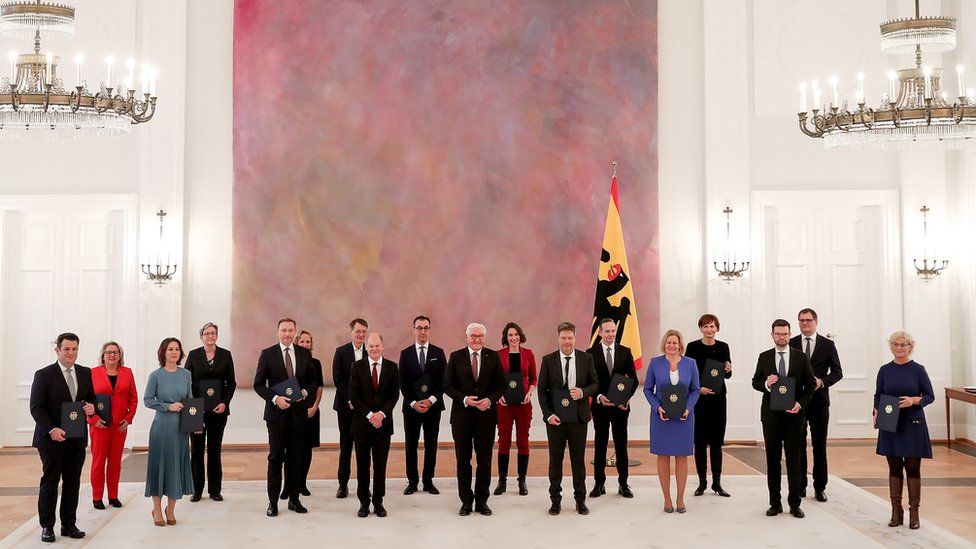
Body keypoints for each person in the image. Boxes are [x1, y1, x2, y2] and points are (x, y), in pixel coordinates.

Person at [29, 332, 96, 543]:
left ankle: (69, 524)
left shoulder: (85, 373)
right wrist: (52, 430)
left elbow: (91, 400)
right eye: (66, 349)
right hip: (51, 440)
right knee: (50, 482)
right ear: (57, 350)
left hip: (76, 439)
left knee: (72, 483)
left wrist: (92, 408)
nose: (71, 353)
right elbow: (36, 408)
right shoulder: (44, 374)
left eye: (74, 349)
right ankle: (47, 526)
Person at [254, 318, 319, 517]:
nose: (288, 334)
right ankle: (273, 502)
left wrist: (305, 393)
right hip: (276, 416)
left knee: (296, 458)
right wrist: (275, 398)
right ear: (278, 332)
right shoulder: (268, 354)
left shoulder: (304, 353)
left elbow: (313, 381)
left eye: (291, 330)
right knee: (275, 459)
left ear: (295, 332)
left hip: (298, 415)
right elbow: (258, 385)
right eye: (284, 330)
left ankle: (294, 500)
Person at [751, 319, 815, 519]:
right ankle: (774, 503)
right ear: (772, 335)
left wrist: (800, 404)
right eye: (778, 334)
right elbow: (755, 382)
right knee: (772, 460)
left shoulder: (800, 357)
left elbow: (810, 385)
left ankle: (795, 504)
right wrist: (767, 384)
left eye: (785, 334)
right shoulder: (764, 357)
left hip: (794, 416)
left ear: (789, 334)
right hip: (771, 417)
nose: (782, 337)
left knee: (794, 460)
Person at [443, 322, 505, 516]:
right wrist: (464, 399)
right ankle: (466, 501)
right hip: (462, 418)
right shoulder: (456, 356)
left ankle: (482, 501)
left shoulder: (493, 356)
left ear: (484, 338)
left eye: (481, 336)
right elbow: (447, 385)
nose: (477, 340)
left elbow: (501, 385)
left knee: (484, 461)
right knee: (463, 461)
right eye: (474, 336)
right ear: (467, 336)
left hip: (486, 418)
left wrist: (490, 400)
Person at [873, 331, 933, 530]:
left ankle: (914, 512)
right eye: (896, 345)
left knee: (913, 468)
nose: (899, 348)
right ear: (891, 347)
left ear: (910, 347)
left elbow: (929, 396)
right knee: (894, 467)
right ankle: (895, 510)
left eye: (903, 345)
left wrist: (913, 401)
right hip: (890, 423)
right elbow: (878, 395)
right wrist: (875, 413)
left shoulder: (918, 370)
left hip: (913, 423)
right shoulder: (884, 370)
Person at [538, 321, 599, 515]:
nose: (566, 341)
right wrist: (548, 415)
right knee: (555, 461)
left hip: (578, 419)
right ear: (558, 338)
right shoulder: (548, 360)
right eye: (563, 338)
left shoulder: (586, 358)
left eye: (570, 337)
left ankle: (580, 500)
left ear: (575, 338)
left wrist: (583, 392)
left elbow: (595, 384)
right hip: (556, 420)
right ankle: (555, 500)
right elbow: (542, 391)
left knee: (578, 461)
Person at [643, 329, 700, 514]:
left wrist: (688, 408)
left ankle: (680, 498)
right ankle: (667, 499)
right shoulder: (655, 363)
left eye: (675, 342)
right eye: (669, 342)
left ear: (680, 345)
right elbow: (647, 389)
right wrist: (656, 407)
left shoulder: (691, 363)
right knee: (663, 455)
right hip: (661, 417)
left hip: (684, 417)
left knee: (682, 456)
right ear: (664, 344)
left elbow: (695, 390)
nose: (672, 345)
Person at [791, 308, 842, 502]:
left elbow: (838, 372)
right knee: (798, 446)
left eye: (808, 320)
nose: (805, 324)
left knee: (819, 446)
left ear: (816, 321)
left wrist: (822, 381)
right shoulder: (792, 342)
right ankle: (801, 485)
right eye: (802, 321)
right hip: (797, 402)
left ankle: (820, 487)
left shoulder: (828, 345)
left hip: (820, 402)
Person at [144, 337, 194, 527]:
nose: (174, 352)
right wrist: (168, 406)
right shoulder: (155, 375)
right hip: (162, 427)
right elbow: (148, 400)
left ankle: (170, 509)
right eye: (170, 349)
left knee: (176, 466)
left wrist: (194, 423)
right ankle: (157, 508)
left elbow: (190, 401)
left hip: (181, 429)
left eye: (177, 349)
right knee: (159, 465)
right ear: (163, 352)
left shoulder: (186, 374)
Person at [184, 322, 237, 502]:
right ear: (201, 336)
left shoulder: (225, 355)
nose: (210, 336)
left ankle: (215, 490)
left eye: (213, 333)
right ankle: (196, 490)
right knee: (197, 451)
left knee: (215, 450)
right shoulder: (193, 355)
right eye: (206, 333)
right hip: (195, 410)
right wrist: (192, 407)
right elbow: (186, 381)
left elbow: (231, 383)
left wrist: (224, 403)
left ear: (217, 335)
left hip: (218, 410)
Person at [349, 332, 400, 517]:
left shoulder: (392, 367)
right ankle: (364, 502)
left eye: (377, 345)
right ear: (366, 348)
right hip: (362, 425)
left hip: (383, 426)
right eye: (370, 346)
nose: (374, 349)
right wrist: (371, 415)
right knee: (362, 466)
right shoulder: (357, 367)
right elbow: (353, 394)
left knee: (380, 466)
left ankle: (378, 502)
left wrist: (381, 414)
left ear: (382, 346)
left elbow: (394, 395)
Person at [588, 318, 638, 499]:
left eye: (613, 331)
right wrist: (600, 397)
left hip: (620, 408)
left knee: (620, 445)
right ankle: (598, 484)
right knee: (600, 445)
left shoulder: (625, 352)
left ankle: (623, 484)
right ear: (600, 333)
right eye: (607, 331)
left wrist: (625, 399)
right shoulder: (590, 353)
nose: (610, 334)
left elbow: (634, 379)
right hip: (600, 407)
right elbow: (588, 382)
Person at [684, 314, 732, 497]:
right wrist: (698, 388)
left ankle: (717, 483)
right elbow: (687, 373)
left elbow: (727, 375)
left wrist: (728, 369)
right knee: (700, 442)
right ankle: (702, 482)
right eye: (706, 326)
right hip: (699, 399)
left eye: (712, 326)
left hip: (719, 400)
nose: (709, 330)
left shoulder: (723, 347)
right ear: (701, 328)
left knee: (717, 443)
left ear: (717, 328)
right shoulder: (693, 347)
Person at [398, 315, 446, 495]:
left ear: (429, 330)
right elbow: (402, 382)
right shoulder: (405, 354)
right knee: (411, 445)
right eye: (419, 328)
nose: (423, 331)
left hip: (433, 407)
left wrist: (430, 400)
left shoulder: (438, 353)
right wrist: (413, 403)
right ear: (413, 330)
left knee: (431, 445)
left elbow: (443, 382)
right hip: (411, 408)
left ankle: (428, 481)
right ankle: (412, 481)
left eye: (426, 328)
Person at [88, 341, 138, 509]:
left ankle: (113, 495)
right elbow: (85, 400)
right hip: (99, 426)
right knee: (98, 461)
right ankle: (96, 497)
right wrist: (93, 419)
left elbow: (133, 398)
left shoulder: (127, 372)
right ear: (103, 355)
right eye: (108, 352)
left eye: (115, 352)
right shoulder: (92, 373)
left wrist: (129, 418)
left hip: (119, 426)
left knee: (115, 461)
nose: (112, 355)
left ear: (120, 355)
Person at [494, 322, 537, 496]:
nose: (514, 337)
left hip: (523, 405)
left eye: (516, 334)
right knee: (503, 441)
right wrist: (498, 396)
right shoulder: (498, 355)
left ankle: (522, 480)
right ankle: (502, 481)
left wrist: (529, 393)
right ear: (506, 338)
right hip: (504, 405)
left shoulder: (528, 354)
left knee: (523, 441)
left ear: (520, 335)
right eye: (510, 335)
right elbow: (494, 381)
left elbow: (534, 379)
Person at [331, 318, 368, 498]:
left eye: (363, 332)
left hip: (364, 409)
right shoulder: (341, 352)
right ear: (351, 332)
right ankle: (342, 485)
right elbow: (338, 380)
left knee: (363, 448)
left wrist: (362, 403)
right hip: (345, 407)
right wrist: (350, 400)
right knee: (346, 446)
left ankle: (364, 486)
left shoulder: (371, 352)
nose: (361, 335)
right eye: (357, 331)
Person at [290, 330, 324, 498]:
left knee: (306, 449)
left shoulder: (316, 363)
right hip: (292, 412)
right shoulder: (291, 362)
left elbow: (319, 387)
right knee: (291, 449)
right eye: (302, 341)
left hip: (311, 411)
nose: (305, 344)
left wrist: (315, 407)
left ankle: (302, 483)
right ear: (296, 343)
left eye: (308, 342)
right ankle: (288, 486)